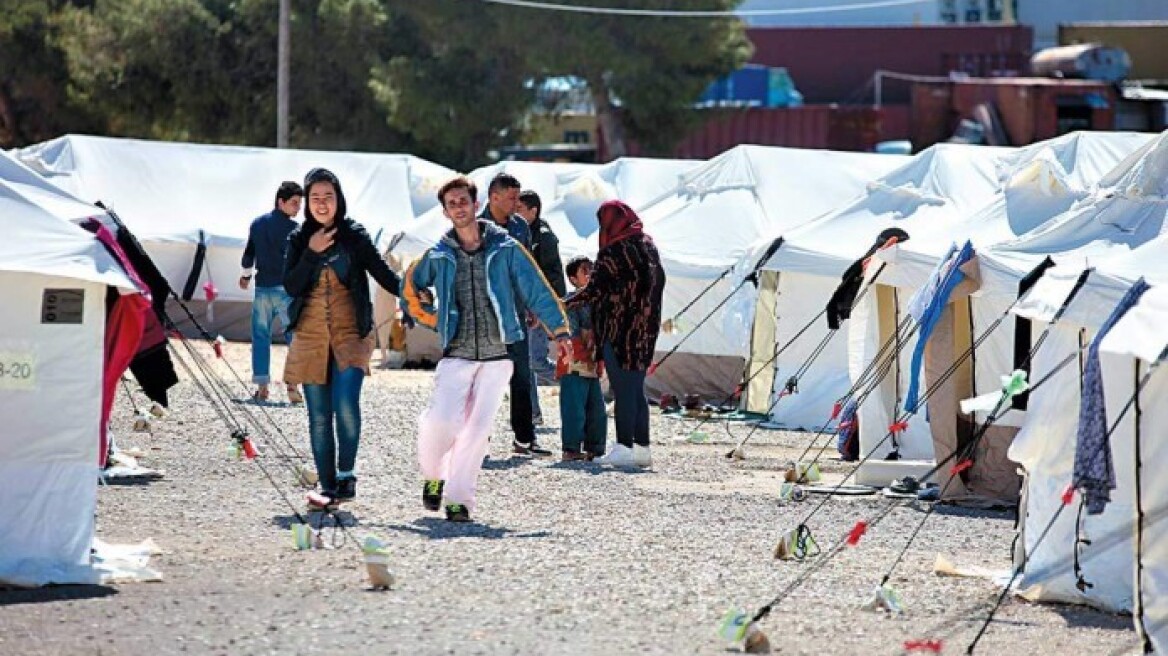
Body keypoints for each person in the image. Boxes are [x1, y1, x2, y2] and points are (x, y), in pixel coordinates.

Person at [402, 176, 571, 522]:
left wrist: (561, 331)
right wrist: (432, 317)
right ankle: (434, 476)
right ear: (446, 212)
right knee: (442, 421)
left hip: (498, 355)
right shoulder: (438, 255)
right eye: (452, 204)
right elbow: (411, 288)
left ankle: (459, 499)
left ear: (476, 205)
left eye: (464, 200)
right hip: (457, 352)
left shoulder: (506, 248)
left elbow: (536, 287)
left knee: (477, 431)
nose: (459, 207)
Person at [282, 168, 402, 507]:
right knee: (318, 414)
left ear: (339, 199)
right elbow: (291, 286)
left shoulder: (354, 235)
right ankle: (328, 486)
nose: (322, 204)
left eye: (328, 196)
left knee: (345, 402)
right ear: (307, 203)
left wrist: (412, 293)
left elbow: (383, 274)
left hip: (352, 333)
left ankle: (346, 474)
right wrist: (312, 251)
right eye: (315, 198)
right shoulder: (297, 238)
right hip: (310, 335)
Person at [566, 201, 665, 468]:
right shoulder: (649, 247)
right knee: (635, 388)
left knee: (623, 389)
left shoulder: (613, 252)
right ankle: (642, 448)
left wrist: (563, 304)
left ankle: (623, 446)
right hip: (646, 331)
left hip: (619, 331)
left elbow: (593, 290)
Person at [478, 173, 547, 450]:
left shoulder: (520, 226)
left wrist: (531, 305)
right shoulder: (475, 227)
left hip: (516, 314)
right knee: (483, 380)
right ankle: (478, 438)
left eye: (518, 198)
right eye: (511, 198)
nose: (517, 204)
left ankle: (525, 438)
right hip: (484, 315)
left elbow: (527, 269)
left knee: (521, 375)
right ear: (494, 197)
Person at [240, 181, 303, 403]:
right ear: (281, 202)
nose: (298, 208)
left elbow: (249, 255)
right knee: (294, 337)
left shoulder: (257, 224)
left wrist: (246, 276)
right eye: (294, 203)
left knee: (260, 337)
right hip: (286, 291)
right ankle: (293, 386)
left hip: (262, 288)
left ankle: (263, 387)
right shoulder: (296, 230)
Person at [557, 256, 606, 462]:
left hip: (593, 361)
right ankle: (571, 448)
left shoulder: (599, 300)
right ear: (573, 279)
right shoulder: (570, 302)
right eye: (584, 271)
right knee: (574, 408)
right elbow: (574, 332)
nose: (590, 274)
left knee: (597, 410)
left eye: (592, 270)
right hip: (574, 360)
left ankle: (596, 448)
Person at [517, 189, 565, 388]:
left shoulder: (544, 238)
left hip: (538, 307)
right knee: (526, 364)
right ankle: (532, 412)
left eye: (519, 209)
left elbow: (551, 277)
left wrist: (542, 309)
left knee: (536, 362)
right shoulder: (523, 233)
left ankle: (574, 382)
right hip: (525, 306)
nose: (514, 212)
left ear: (533, 211)